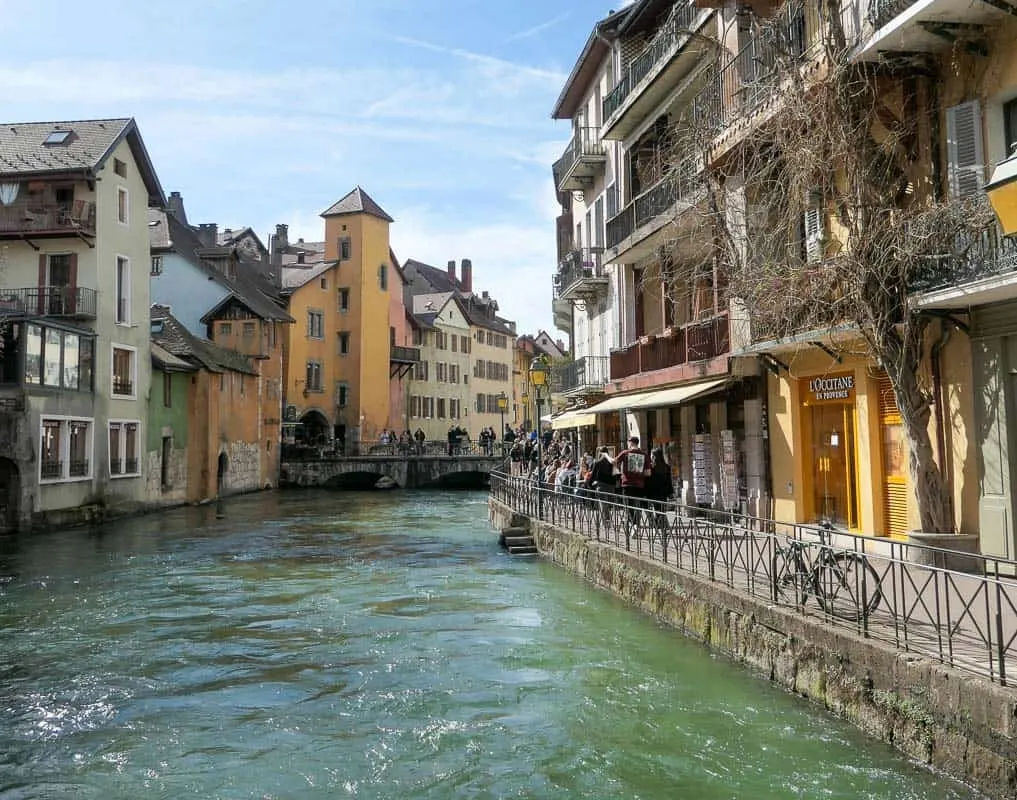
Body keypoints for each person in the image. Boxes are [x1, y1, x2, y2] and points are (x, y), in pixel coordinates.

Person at [614, 436, 648, 529]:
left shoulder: (625, 453)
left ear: (631, 442)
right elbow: (648, 473)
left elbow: (614, 461)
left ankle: (633, 525)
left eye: (628, 442)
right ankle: (636, 524)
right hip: (640, 484)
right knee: (637, 505)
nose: (627, 444)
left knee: (628, 505)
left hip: (627, 484)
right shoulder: (644, 455)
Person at [644, 448, 675, 538]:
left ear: (653, 456)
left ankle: (659, 529)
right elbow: (669, 481)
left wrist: (645, 492)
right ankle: (663, 529)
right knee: (661, 511)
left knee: (656, 511)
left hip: (653, 492)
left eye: (651, 455)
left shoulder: (651, 467)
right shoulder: (666, 467)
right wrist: (670, 492)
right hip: (663, 493)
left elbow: (647, 481)